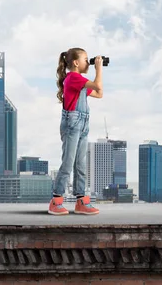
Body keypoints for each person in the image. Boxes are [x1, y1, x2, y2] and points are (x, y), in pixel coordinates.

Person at [48, 48, 103, 215]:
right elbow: (97, 85)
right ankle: (56, 201)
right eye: (86, 59)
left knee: (80, 164)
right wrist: (98, 69)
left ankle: (81, 201)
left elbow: (99, 94)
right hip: (72, 124)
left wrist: (97, 71)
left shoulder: (80, 82)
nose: (89, 62)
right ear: (76, 63)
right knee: (68, 163)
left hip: (83, 125)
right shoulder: (73, 78)